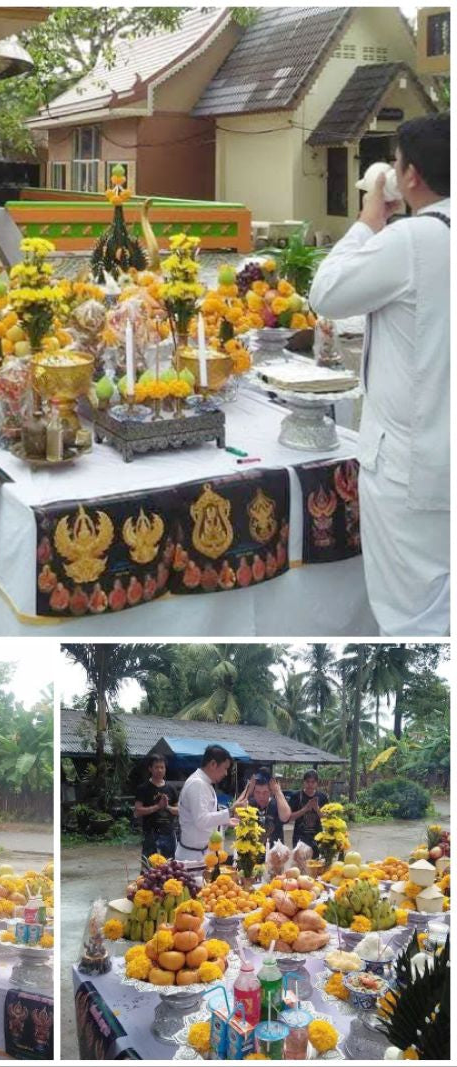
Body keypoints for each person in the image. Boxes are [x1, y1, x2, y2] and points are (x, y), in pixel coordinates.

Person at [309, 113, 450, 636]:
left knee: (413, 616)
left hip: (411, 468)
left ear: (410, 176)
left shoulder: (413, 240)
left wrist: (369, 220)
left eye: (396, 162)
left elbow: (326, 293)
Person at [175, 745, 239, 861]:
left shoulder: (204, 783)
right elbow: (201, 820)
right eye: (225, 768)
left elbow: (206, 819)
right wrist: (230, 811)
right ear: (213, 764)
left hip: (203, 853)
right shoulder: (197, 784)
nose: (225, 773)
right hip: (193, 857)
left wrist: (225, 821)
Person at [134, 756, 179, 864]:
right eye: (156, 767)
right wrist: (157, 807)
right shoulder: (143, 788)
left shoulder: (171, 788)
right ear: (150, 769)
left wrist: (167, 807)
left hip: (168, 832)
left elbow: (178, 810)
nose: (159, 770)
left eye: (162, 767)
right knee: (148, 868)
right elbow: (137, 811)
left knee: (170, 867)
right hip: (150, 833)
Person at [233, 766, 291, 848]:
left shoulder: (277, 804)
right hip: (253, 855)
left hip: (273, 855)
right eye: (257, 792)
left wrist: (278, 791)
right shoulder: (250, 803)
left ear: (271, 792)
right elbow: (235, 814)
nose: (261, 796)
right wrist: (247, 791)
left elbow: (285, 817)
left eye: (265, 792)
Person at [286, 769, 329, 856]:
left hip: (317, 837)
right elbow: (289, 817)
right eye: (307, 782)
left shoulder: (322, 797)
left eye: (313, 782)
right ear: (304, 782)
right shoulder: (296, 796)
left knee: (316, 865)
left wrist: (317, 809)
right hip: (300, 837)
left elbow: (327, 819)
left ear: (317, 783)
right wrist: (305, 809)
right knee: (301, 864)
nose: (310, 785)